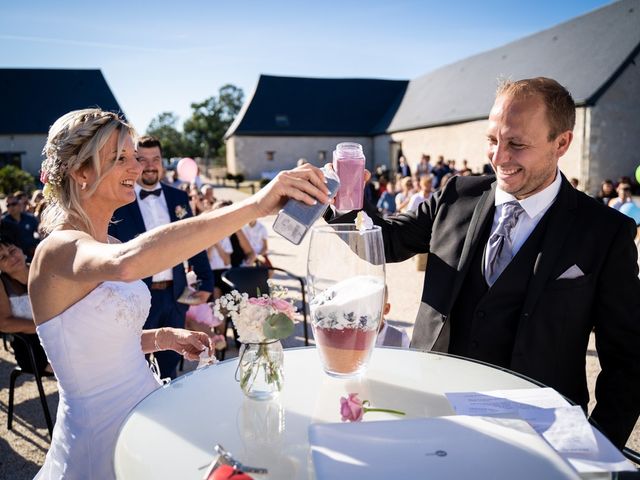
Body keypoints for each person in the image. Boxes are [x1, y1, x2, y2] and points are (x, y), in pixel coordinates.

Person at [328, 77, 640, 449]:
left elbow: (627, 359)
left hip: (537, 437)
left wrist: (598, 445)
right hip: (432, 411)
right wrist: (345, 203)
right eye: (493, 140)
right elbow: (386, 242)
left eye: (516, 144)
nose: (499, 157)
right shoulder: (456, 195)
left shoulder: (606, 232)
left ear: (562, 143)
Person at [30, 108, 329, 479]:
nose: (135, 168)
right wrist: (254, 205)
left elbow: (89, 342)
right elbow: (127, 263)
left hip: (147, 409)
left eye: (134, 157)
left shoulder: (107, 241)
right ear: (80, 172)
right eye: (119, 158)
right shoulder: (58, 250)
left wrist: (161, 337)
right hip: (100, 436)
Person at [109, 136, 214, 380]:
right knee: (135, 365)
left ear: (162, 162)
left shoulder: (178, 198)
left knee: (170, 364)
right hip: (136, 296)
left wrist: (207, 283)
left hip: (175, 295)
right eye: (142, 160)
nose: (150, 165)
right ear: (134, 162)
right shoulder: (118, 200)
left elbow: (193, 240)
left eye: (155, 159)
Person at [0, 240, 50, 375]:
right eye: (2, 257)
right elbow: (4, 324)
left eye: (12, 251)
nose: (11, 257)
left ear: (21, 250)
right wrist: (45, 328)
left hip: (62, 334)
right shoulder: (2, 285)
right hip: (31, 346)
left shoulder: (43, 269)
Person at [1, 192, 39, 260]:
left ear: (19, 204)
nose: (11, 207)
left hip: (34, 253)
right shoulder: (3, 223)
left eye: (13, 204)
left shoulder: (30, 218)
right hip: (15, 258)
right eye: (8, 205)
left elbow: (39, 233)